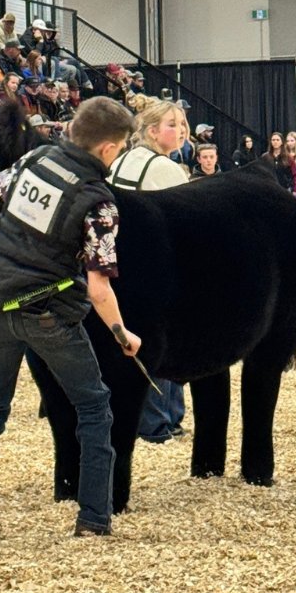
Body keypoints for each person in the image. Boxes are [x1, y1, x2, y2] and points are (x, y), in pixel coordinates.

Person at [0, 97, 141, 542]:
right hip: (48, 313)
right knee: (93, 407)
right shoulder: (100, 203)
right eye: (123, 145)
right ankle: (93, 519)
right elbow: (99, 287)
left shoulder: (36, 160)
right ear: (108, 149)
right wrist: (122, 333)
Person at [108, 100, 188, 444]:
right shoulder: (167, 170)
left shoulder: (121, 161)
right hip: (160, 268)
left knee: (134, 346)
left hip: (118, 267)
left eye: (183, 123)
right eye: (173, 124)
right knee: (164, 344)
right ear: (152, 131)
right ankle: (162, 422)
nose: (181, 129)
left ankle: (156, 420)